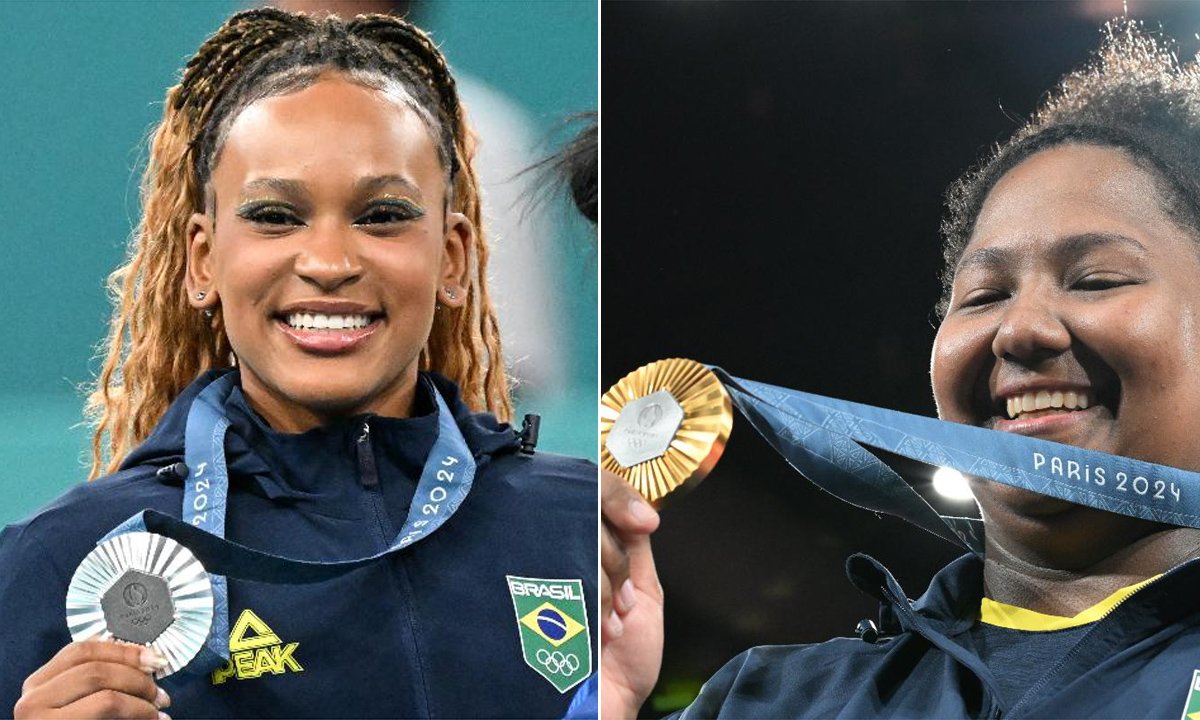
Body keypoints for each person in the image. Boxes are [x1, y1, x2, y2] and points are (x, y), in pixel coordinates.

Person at [0, 8, 595, 718]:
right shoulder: (54, 562)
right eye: (276, 216)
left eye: (382, 216)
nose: (330, 263)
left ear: (455, 258)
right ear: (202, 261)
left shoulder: (580, 527)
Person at [602, 19, 1200, 719]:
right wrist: (607, 697)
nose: (1020, 329)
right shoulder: (773, 701)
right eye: (984, 295)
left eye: (1097, 280)